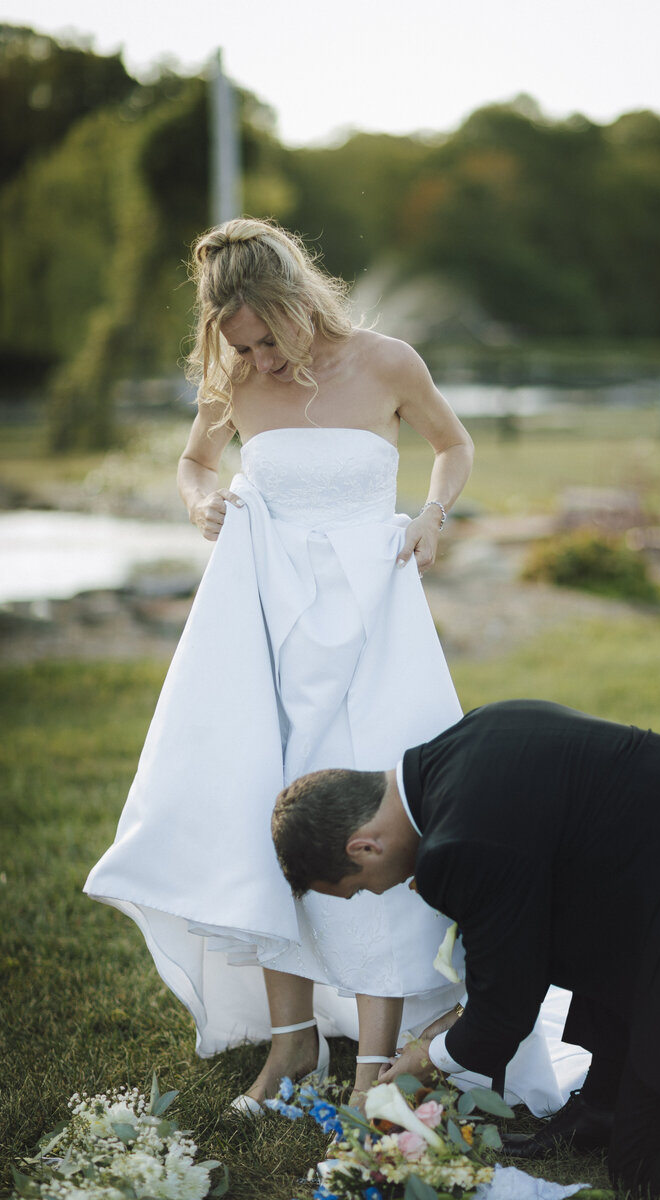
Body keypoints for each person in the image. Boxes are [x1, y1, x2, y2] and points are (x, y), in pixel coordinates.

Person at [84, 218, 585, 1119]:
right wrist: (203, 501)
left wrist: (434, 513)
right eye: (239, 346)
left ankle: (376, 1059)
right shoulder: (235, 380)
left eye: (267, 338)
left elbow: (454, 445)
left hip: (374, 625)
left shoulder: (388, 361)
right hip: (268, 628)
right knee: (268, 811)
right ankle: (292, 1043)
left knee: (378, 819)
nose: (259, 360)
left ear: (297, 303)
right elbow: (196, 462)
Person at [272, 699, 660, 1200]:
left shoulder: (461, 845)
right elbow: (537, 933)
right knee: (587, 920)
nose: (380, 892)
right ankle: (602, 1112)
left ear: (364, 847)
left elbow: (507, 1012)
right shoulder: (471, 739)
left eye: (362, 885)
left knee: (645, 1167)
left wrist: (425, 1060)